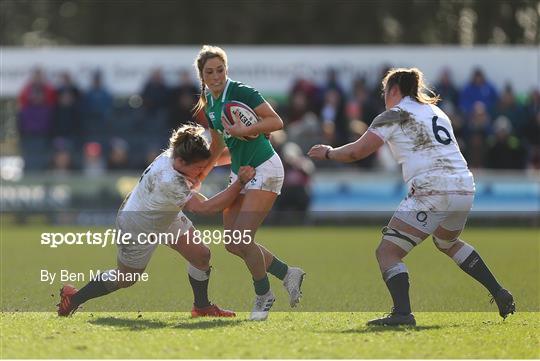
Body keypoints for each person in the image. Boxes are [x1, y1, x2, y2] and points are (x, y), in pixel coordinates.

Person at [308, 67, 515, 326]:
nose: (384, 96)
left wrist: (328, 152)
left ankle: (402, 314)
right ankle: (498, 291)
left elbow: (357, 152)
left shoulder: (393, 115)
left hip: (432, 188)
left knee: (388, 253)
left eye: (385, 91)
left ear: (394, 90)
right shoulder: (436, 111)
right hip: (464, 186)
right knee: (447, 242)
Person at [58, 124, 255, 318]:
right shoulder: (171, 181)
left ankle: (202, 307)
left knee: (201, 255)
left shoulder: (178, 154)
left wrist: (250, 149)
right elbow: (205, 209)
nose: (202, 172)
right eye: (199, 168)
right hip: (137, 226)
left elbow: (211, 159)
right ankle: (74, 298)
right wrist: (240, 183)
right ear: (181, 162)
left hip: (163, 213)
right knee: (126, 278)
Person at [192, 45, 305, 321]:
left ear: (226, 70)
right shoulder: (209, 101)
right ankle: (288, 273)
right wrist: (200, 173)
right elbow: (219, 146)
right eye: (210, 72)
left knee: (242, 238)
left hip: (265, 167)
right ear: (202, 75)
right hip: (240, 174)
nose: (216, 76)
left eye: (220, 70)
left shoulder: (241, 92)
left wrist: (247, 129)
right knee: (232, 243)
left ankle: (264, 295)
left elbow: (275, 122)